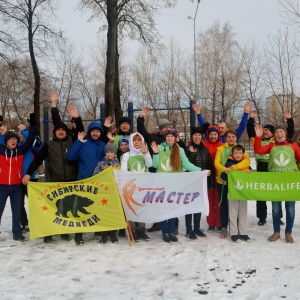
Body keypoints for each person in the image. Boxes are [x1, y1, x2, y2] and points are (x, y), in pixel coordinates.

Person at [22, 101, 83, 244]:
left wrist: (77, 118)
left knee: (68, 208)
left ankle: (64, 231)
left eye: (63, 130)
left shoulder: (71, 142)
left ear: (66, 132)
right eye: (58, 130)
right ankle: (49, 231)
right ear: (55, 132)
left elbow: (80, 131)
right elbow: (37, 160)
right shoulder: (49, 145)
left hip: (71, 180)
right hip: (55, 181)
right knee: (53, 208)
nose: (61, 131)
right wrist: (28, 173)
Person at [151, 128, 204, 243]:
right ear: (165, 137)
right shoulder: (159, 148)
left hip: (175, 183)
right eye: (168, 136)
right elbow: (155, 165)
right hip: (162, 184)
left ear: (175, 138)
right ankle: (165, 232)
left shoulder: (179, 149)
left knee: (173, 209)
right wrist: (155, 153)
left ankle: (171, 231)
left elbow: (186, 164)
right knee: (164, 209)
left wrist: (201, 170)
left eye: (172, 136)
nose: (169, 138)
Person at [254, 124, 300, 244]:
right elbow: (258, 150)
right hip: (275, 182)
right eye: (277, 132)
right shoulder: (271, 145)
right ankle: (276, 232)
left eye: (281, 132)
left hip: (289, 183)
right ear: (274, 135)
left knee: (290, 209)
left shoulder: (293, 145)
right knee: (275, 209)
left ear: (285, 133)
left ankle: (288, 232)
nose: (279, 134)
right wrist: (258, 137)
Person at [247, 110, 294, 226]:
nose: (265, 132)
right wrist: (251, 119)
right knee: (261, 194)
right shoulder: (257, 139)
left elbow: (290, 133)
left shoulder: (276, 141)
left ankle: (278, 216)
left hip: (275, 168)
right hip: (262, 167)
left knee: (277, 193)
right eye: (264, 130)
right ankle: (262, 217)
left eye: (267, 130)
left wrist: (289, 120)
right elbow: (250, 131)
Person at [0, 114, 36, 241]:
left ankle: (17, 234)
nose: (14, 141)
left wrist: (32, 125)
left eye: (15, 139)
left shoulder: (20, 151)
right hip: (2, 186)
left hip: (16, 186)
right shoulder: (1, 150)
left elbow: (31, 139)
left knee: (16, 212)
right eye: (11, 139)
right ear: (6, 142)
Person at [214, 130, 251, 239]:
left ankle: (241, 230)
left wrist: (234, 168)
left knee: (238, 207)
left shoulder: (239, 148)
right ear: (225, 138)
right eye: (229, 137)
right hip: (223, 180)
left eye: (233, 137)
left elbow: (247, 161)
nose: (231, 138)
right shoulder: (220, 149)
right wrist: (226, 170)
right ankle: (224, 227)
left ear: (236, 138)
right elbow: (217, 163)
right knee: (225, 205)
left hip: (237, 182)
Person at [121, 132, 152, 241]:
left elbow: (150, 165)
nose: (137, 142)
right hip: (131, 187)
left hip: (143, 187)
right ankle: (133, 230)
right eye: (135, 140)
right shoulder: (126, 155)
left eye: (139, 140)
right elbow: (124, 171)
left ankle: (142, 230)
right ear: (131, 142)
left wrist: (146, 153)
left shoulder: (144, 153)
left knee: (141, 208)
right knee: (131, 208)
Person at [185, 126, 215, 239]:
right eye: (195, 135)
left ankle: (196, 228)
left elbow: (208, 165)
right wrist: (192, 154)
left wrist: (210, 181)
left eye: (199, 135)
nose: (197, 137)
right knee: (189, 205)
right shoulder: (188, 148)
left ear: (201, 137)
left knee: (198, 205)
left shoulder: (205, 148)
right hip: (191, 181)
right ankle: (189, 229)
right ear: (192, 137)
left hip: (202, 182)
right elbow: (187, 165)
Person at [220, 145, 252, 242]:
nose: (238, 155)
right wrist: (226, 171)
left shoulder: (246, 165)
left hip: (243, 192)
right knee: (233, 213)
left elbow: (251, 178)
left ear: (243, 154)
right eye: (236, 153)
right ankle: (234, 233)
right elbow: (222, 178)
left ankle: (243, 232)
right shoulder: (229, 163)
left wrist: (250, 173)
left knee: (243, 213)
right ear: (232, 154)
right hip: (233, 192)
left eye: (240, 153)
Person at [93, 143, 121, 244]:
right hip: (103, 192)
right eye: (107, 152)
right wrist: (102, 171)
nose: (109, 154)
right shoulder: (100, 163)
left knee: (113, 213)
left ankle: (113, 234)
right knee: (104, 213)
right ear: (105, 153)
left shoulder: (117, 163)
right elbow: (94, 176)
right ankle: (104, 234)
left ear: (114, 153)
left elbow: (121, 177)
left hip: (114, 192)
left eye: (111, 152)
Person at [18, 125, 43, 233]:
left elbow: (35, 142)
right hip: (17, 179)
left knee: (34, 203)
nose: (20, 135)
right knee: (19, 204)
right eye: (19, 133)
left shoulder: (33, 145)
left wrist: (24, 130)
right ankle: (24, 224)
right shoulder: (18, 146)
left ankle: (39, 223)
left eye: (22, 133)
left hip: (31, 178)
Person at [202, 126, 223, 232]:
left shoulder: (222, 146)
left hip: (220, 176)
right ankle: (210, 223)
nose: (213, 136)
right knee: (209, 201)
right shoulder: (204, 145)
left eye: (215, 134)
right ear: (207, 135)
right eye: (211, 134)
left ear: (218, 135)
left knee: (219, 201)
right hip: (208, 176)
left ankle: (219, 222)